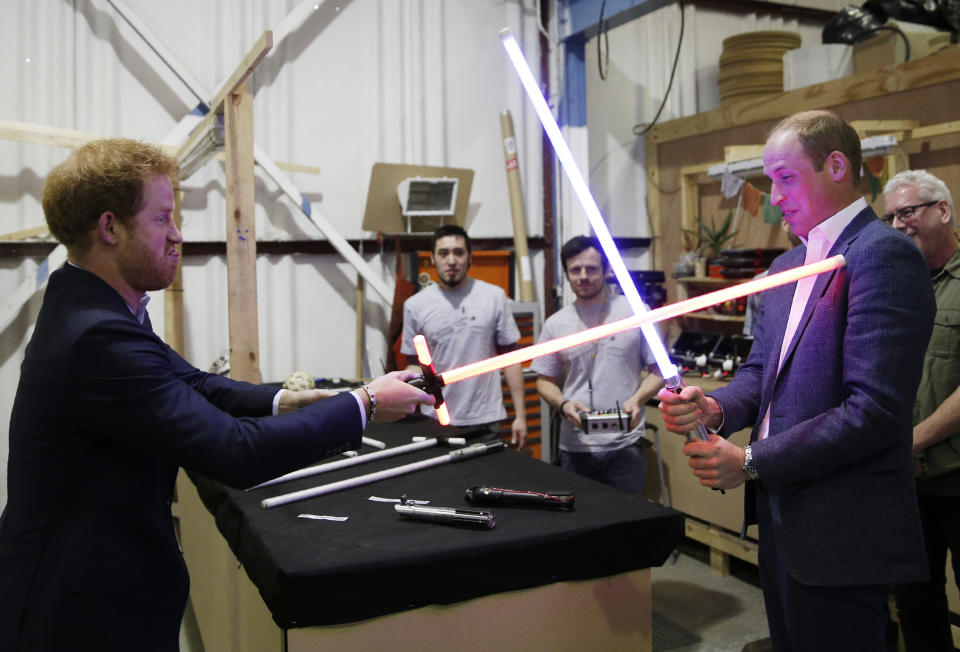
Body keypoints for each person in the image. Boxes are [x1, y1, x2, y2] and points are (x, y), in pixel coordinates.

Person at [0, 138, 433, 651]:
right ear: (110, 227)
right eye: (163, 219)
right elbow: (236, 451)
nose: (178, 236)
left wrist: (293, 401)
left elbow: (192, 382)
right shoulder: (98, 335)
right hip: (78, 612)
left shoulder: (91, 303)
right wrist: (366, 406)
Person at [657, 111, 935, 651]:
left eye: (785, 177)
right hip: (784, 518)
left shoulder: (883, 255)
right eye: (769, 181)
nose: (776, 195)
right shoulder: (788, 265)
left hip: (843, 530)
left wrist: (750, 461)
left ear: (835, 166)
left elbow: (874, 411)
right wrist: (715, 408)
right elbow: (762, 372)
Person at [883, 169, 960, 652]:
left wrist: (915, 438)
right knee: (916, 604)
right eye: (889, 217)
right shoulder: (894, 288)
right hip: (905, 483)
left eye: (907, 212)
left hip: (955, 474)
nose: (897, 225)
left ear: (943, 211)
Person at [531, 236, 663, 494]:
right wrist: (563, 404)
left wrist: (637, 399)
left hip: (625, 445)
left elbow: (659, 371)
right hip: (575, 446)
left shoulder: (636, 312)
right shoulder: (555, 324)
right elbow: (544, 380)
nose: (583, 276)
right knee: (581, 527)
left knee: (625, 522)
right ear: (567, 275)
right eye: (575, 270)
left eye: (591, 269)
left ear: (606, 270)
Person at [401, 224, 527, 447]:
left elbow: (511, 361)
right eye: (443, 253)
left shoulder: (494, 297)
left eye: (459, 252)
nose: (451, 260)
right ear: (432, 258)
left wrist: (521, 416)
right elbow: (413, 366)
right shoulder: (414, 306)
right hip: (436, 418)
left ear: (469, 258)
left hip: (486, 419)